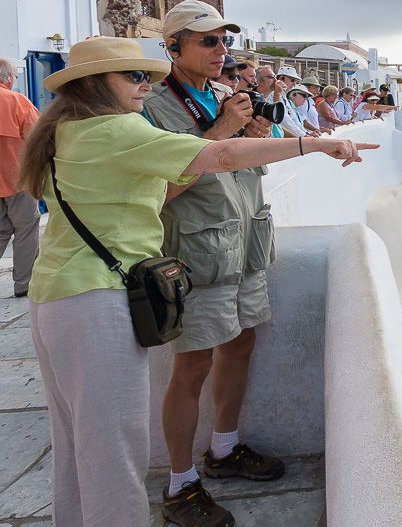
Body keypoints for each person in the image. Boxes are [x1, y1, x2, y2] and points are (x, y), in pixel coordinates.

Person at [17, 36, 375, 527]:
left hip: (54, 297)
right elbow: (220, 156)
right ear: (96, 83)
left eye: (147, 77)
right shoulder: (115, 129)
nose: (146, 85)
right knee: (114, 450)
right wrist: (313, 143)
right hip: (94, 300)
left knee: (76, 446)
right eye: (134, 76)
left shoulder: (63, 130)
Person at [138, 1, 312, 526]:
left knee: (241, 343)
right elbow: (158, 192)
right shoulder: (151, 109)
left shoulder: (222, 96)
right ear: (173, 47)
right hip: (197, 255)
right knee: (192, 366)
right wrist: (219, 134)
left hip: (244, 247)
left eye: (225, 40)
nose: (221, 50)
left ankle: (224, 447)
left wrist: (254, 137)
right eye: (208, 41)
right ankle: (179, 483)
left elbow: (243, 165)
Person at [0, 58, 40, 298]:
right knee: (26, 228)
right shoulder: (16, 101)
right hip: (17, 178)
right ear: (8, 78)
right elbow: (37, 138)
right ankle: (24, 283)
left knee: (1, 230)